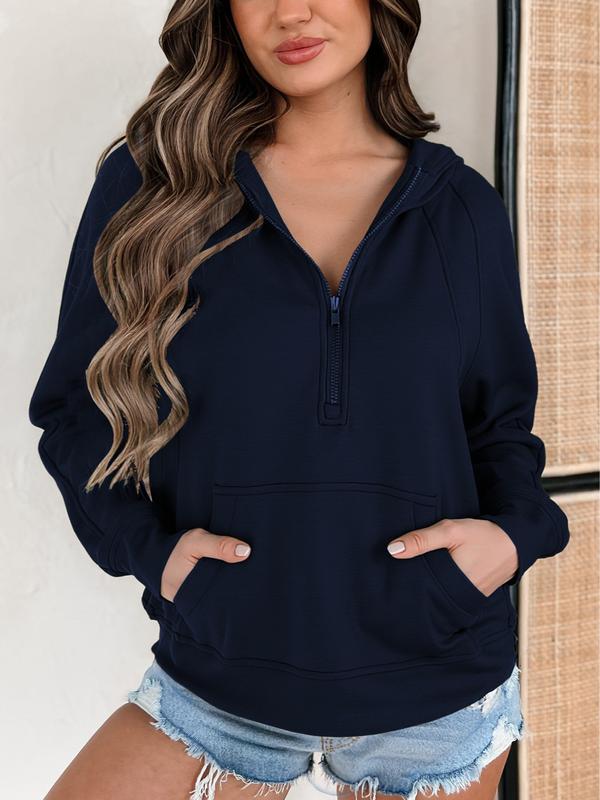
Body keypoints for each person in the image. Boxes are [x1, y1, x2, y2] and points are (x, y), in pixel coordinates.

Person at [29, 1, 571, 799]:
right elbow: (75, 413)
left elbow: (499, 429)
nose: (293, 12)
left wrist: (510, 539)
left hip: (438, 692)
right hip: (218, 682)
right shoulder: (155, 190)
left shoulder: (461, 208)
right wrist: (154, 555)